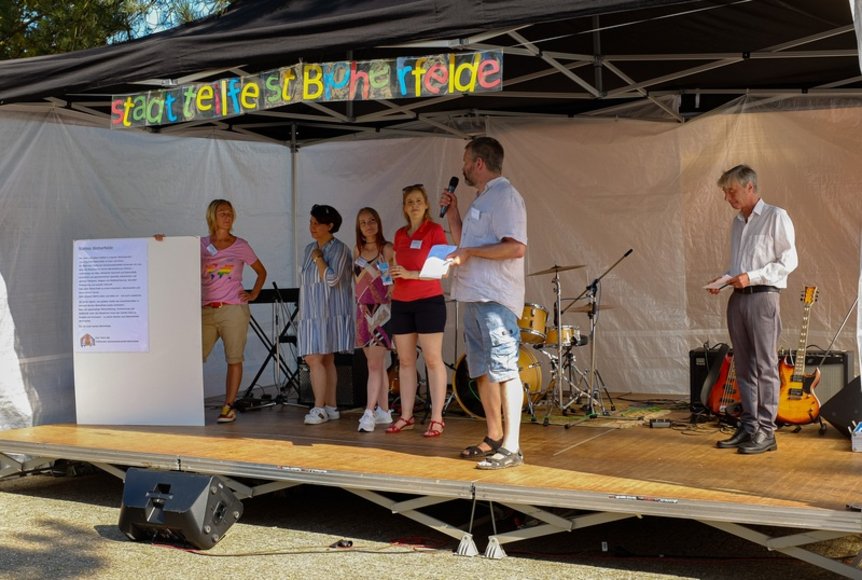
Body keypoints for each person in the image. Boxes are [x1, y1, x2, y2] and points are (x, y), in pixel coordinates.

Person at [441, 136, 528, 470]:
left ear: (478, 163)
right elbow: (467, 242)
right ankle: (493, 435)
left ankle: (512, 446)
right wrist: (453, 214)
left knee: (505, 370)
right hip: (474, 296)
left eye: (465, 160)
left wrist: (470, 252)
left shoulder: (506, 197)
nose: (462, 167)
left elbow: (515, 247)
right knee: (481, 369)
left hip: (495, 298)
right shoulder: (483, 198)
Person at [709, 164, 797, 455]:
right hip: (738, 297)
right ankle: (748, 427)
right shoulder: (737, 223)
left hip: (763, 297)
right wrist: (724, 280)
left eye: (731, 191)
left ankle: (767, 431)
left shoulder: (776, 216)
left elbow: (788, 261)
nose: (727, 198)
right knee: (743, 366)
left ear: (750, 187)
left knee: (765, 366)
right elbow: (739, 266)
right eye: (725, 192)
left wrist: (753, 277)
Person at [386, 185, 449, 437]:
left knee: (433, 359)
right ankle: (406, 415)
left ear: (426, 205)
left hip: (428, 301)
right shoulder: (400, 234)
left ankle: (436, 417)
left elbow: (443, 268)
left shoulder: (434, 231)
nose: (414, 205)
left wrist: (412, 274)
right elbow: (397, 264)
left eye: (418, 201)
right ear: (404, 207)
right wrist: (392, 274)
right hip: (401, 301)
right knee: (405, 361)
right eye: (410, 201)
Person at [199, 199, 267, 424]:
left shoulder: (241, 245)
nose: (227, 217)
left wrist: (254, 294)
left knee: (234, 357)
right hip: (206, 310)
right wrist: (160, 242)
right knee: (193, 356)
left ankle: (228, 406)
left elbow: (261, 271)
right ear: (212, 217)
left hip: (233, 309)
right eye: (222, 213)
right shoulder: (200, 244)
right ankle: (185, 402)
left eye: (230, 213)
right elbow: (175, 257)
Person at [297, 204, 354, 425]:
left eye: (317, 223)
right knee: (324, 359)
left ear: (329, 226)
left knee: (315, 358)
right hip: (311, 312)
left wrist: (320, 259)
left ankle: (319, 408)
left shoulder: (340, 249)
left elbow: (332, 280)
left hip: (330, 311)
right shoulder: (308, 248)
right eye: (311, 222)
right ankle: (330, 406)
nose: (312, 227)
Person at [353, 207, 396, 432]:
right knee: (376, 365)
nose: (368, 225)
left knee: (373, 364)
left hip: (382, 311)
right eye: (363, 222)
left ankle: (369, 412)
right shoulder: (357, 250)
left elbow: (392, 279)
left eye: (371, 221)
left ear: (378, 222)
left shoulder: (386, 249)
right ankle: (384, 411)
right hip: (362, 311)